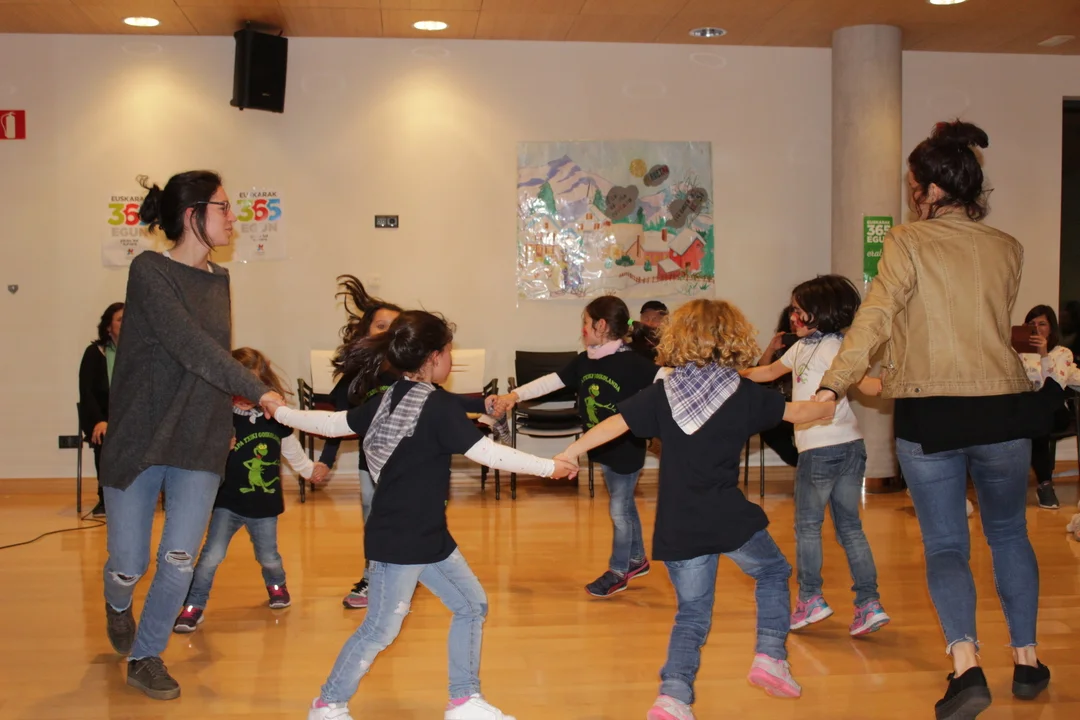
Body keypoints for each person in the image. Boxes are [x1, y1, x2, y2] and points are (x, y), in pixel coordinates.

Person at [814, 121, 1055, 719]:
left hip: (931, 412)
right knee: (1010, 534)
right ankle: (1027, 661)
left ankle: (967, 668)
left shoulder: (907, 241)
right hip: (1004, 406)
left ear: (931, 189)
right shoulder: (1008, 246)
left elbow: (875, 317)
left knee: (946, 543)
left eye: (913, 185)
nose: (911, 195)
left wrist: (832, 382)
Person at [264, 310, 575, 720]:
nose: (451, 359)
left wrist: (280, 411)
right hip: (400, 540)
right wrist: (551, 467)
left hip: (428, 536)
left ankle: (464, 701)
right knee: (380, 629)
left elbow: (331, 423)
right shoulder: (435, 405)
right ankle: (327, 704)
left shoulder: (392, 396)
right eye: (449, 351)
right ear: (434, 356)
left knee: (471, 605)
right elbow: (489, 454)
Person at [558, 299, 837, 720]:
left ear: (679, 338)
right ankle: (770, 656)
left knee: (691, 614)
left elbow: (615, 423)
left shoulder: (664, 393)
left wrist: (570, 452)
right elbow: (798, 412)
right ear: (733, 338)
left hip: (677, 522)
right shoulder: (742, 393)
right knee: (773, 571)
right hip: (725, 515)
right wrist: (829, 401)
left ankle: (672, 697)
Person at [99, 171, 285, 701]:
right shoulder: (149, 270)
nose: (233, 217)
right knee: (129, 564)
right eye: (223, 207)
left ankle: (147, 656)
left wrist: (230, 413)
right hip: (140, 435)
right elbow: (192, 347)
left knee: (180, 558)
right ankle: (117, 603)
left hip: (200, 436)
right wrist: (260, 390)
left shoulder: (220, 279)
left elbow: (210, 362)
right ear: (192, 214)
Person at [742, 276, 889, 636]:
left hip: (821, 450)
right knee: (850, 528)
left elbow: (868, 385)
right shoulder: (807, 348)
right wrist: (733, 375)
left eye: (798, 310)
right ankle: (868, 604)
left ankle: (810, 598)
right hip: (850, 446)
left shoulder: (833, 347)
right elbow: (769, 372)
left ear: (819, 312)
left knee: (807, 527)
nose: (792, 316)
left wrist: (899, 381)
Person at [493, 296, 666, 597]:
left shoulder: (634, 363)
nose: (582, 329)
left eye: (585, 322)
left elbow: (669, 378)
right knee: (623, 505)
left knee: (619, 511)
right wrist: (513, 396)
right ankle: (637, 560)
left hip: (627, 449)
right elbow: (550, 381)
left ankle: (619, 571)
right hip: (602, 448)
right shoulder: (586, 360)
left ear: (601, 325)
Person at [173, 348, 317, 633]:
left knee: (268, 557)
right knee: (210, 557)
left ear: (263, 383)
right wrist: (218, 449)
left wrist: (311, 471)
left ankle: (276, 585)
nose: (245, 391)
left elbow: (293, 452)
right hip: (227, 502)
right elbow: (198, 455)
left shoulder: (275, 418)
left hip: (264, 505)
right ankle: (193, 604)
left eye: (251, 383)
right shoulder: (221, 418)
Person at [315, 275, 404, 609]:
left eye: (394, 328)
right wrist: (326, 459)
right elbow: (338, 420)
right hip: (371, 464)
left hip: (409, 462)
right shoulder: (357, 375)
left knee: (406, 519)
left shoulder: (412, 370)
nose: (387, 332)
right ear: (367, 331)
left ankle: (406, 574)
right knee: (372, 518)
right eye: (381, 326)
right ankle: (372, 576)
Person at [1015, 304, 1074, 509]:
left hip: (1055, 410)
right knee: (1035, 421)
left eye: (1042, 324)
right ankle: (1045, 485)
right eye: (1031, 324)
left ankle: (1043, 485)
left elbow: (1054, 386)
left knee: (1038, 417)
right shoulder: (1018, 353)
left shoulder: (1063, 353)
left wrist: (1043, 354)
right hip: (1028, 410)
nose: (1037, 329)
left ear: (1051, 328)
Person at [78, 301, 124, 518]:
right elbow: (86, 392)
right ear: (108, 327)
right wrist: (99, 420)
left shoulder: (140, 353)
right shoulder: (94, 353)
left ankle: (138, 495)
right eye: (120, 320)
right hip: (102, 417)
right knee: (105, 436)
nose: (126, 323)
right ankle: (106, 497)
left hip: (132, 417)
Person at [755, 305, 799, 467]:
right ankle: (799, 461)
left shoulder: (815, 347)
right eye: (792, 321)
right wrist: (771, 349)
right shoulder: (781, 348)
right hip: (782, 406)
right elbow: (760, 375)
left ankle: (805, 461)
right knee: (770, 428)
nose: (795, 325)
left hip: (806, 406)